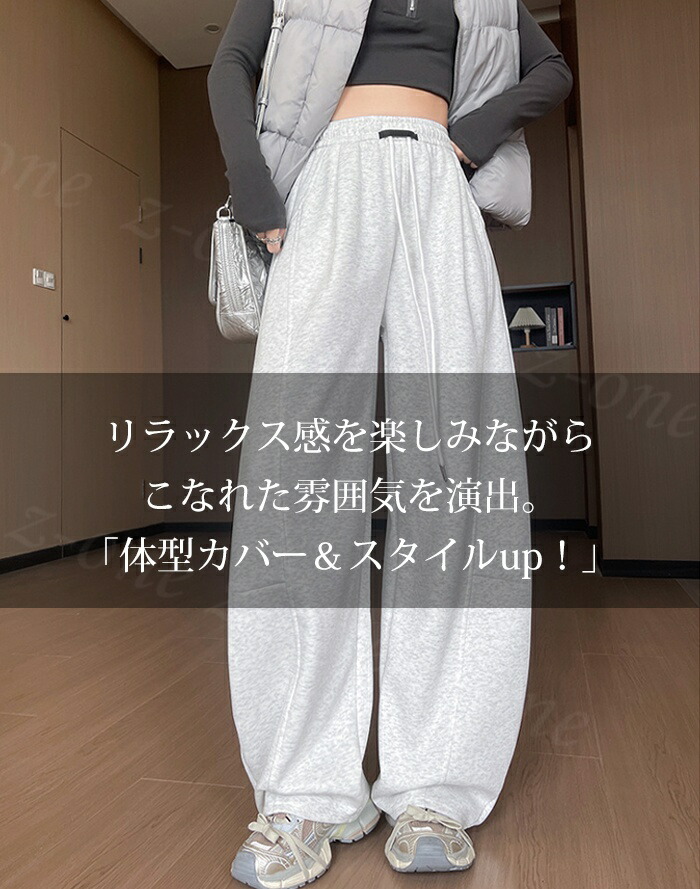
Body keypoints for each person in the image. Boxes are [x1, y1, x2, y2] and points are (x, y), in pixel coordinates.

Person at [207, 1, 573, 886]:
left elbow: (551, 69)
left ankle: (434, 784)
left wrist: (472, 134)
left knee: (460, 473)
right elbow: (231, 66)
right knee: (296, 473)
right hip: (325, 184)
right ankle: (304, 792)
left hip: (440, 187)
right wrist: (254, 187)